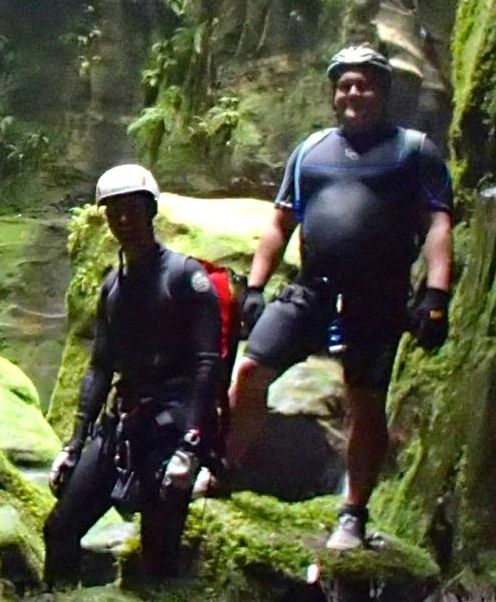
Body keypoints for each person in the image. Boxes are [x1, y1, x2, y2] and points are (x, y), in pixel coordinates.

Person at [226, 45, 454, 550]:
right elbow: (280, 223)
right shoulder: (311, 152)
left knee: (364, 404)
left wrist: (436, 294)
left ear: (383, 93)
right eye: (345, 85)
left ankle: (353, 513)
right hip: (312, 289)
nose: (354, 93)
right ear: (334, 94)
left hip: (377, 299)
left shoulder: (412, 151)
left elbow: (436, 223)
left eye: (365, 84)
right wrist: (256, 289)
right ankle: (224, 468)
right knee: (249, 370)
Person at [44, 164, 223, 586]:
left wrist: (191, 446)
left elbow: (206, 364)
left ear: (151, 211)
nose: (124, 220)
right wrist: (74, 444)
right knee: (60, 528)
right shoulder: (112, 287)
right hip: (122, 426)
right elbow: (101, 365)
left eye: (133, 209)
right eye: (114, 212)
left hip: (171, 427)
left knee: (158, 558)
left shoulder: (185, 278)